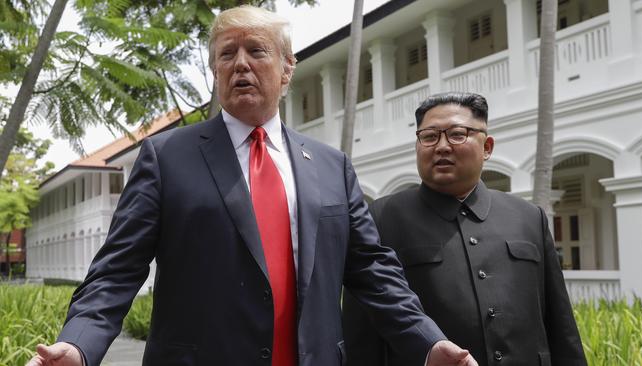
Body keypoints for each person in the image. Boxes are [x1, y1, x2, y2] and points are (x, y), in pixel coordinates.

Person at [27, 7, 478, 366]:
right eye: (227, 54)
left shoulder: (330, 165)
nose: (240, 63)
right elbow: (117, 269)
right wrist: (79, 345)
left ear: (286, 68)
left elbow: (373, 270)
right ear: (215, 71)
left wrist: (426, 342)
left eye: (257, 51)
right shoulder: (166, 159)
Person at [342, 92, 587, 366]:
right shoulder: (382, 217)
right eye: (430, 136)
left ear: (487, 147)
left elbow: (561, 325)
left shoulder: (528, 217)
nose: (442, 146)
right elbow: (360, 334)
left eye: (458, 134)